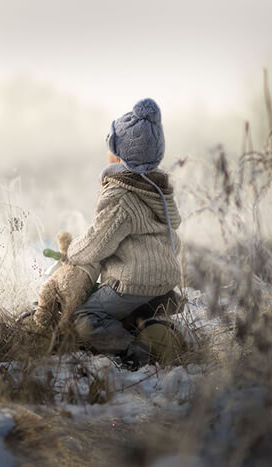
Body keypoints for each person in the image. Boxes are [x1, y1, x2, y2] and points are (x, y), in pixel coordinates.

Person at [67, 98, 182, 367]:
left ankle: (135, 350)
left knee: (84, 318)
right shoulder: (158, 191)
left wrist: (72, 252)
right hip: (164, 280)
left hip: (133, 282)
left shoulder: (120, 196)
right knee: (129, 309)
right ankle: (153, 325)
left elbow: (98, 243)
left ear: (119, 156)